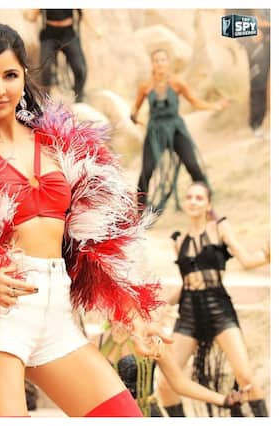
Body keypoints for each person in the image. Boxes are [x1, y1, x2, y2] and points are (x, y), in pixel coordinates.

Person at [0, 22, 171, 417]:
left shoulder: (62, 146)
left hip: (56, 311)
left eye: (9, 75)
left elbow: (101, 243)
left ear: (24, 75)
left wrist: (133, 315)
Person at [156, 181, 269, 417]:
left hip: (219, 309)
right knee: (166, 383)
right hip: (189, 313)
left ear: (208, 204)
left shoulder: (220, 228)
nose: (193, 201)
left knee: (245, 377)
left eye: (199, 198)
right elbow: (187, 283)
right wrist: (161, 304)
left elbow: (247, 260)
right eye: (189, 197)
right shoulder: (179, 240)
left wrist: (268, 255)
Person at [131, 48, 227, 215]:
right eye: (156, 60)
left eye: (163, 60)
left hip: (176, 130)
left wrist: (215, 106)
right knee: (146, 171)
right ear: (152, 64)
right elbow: (135, 110)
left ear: (168, 63)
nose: (159, 63)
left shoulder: (177, 83)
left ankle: (207, 203)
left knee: (192, 164)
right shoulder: (145, 86)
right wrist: (136, 119)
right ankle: (139, 210)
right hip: (155, 133)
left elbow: (195, 102)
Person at [97, 321, 244, 417]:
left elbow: (180, 383)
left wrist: (224, 400)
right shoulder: (96, 341)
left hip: (147, 414)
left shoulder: (153, 341)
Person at [23, 9, 100, 103]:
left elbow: (83, 13)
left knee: (80, 68)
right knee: (46, 68)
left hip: (68, 34)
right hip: (49, 34)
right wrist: (29, 13)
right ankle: (46, 98)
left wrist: (95, 29)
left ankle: (79, 97)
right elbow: (31, 18)